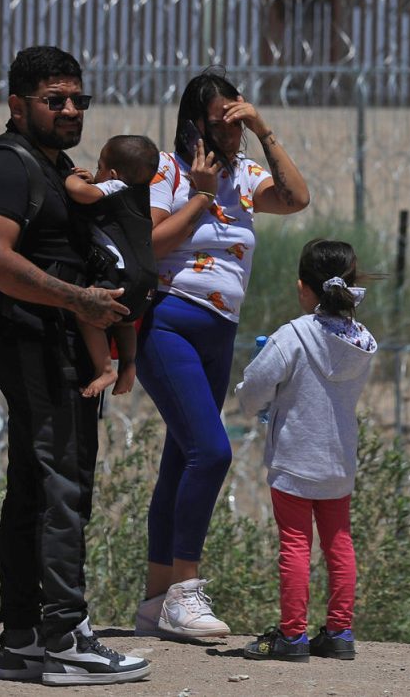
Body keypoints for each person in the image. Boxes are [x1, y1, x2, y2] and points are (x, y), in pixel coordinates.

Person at [0, 45, 150, 686]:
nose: (71, 109)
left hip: (59, 343)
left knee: (35, 490)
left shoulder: (56, 167)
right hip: (34, 342)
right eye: (55, 100)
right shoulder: (4, 167)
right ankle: (67, 636)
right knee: (63, 487)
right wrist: (80, 300)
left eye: (78, 99)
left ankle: (23, 640)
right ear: (18, 106)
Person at [134, 69, 311, 639]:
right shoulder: (167, 169)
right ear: (192, 124)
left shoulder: (245, 172)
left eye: (236, 123)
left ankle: (154, 602)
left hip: (219, 332)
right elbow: (151, 243)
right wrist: (202, 193)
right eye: (220, 124)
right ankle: (184, 594)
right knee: (211, 452)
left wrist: (264, 129)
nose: (229, 136)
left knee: (181, 460)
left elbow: (295, 198)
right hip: (169, 321)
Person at [235, 239, 377, 662]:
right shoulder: (364, 342)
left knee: (295, 544)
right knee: (339, 543)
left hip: (295, 460)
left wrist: (260, 405)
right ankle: (339, 632)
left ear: (303, 288)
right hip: (339, 461)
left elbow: (254, 389)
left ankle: (293, 636)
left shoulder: (291, 336)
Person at [63, 133, 161, 398]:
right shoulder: (138, 194)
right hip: (146, 279)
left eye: (99, 168)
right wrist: (96, 180)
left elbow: (83, 194)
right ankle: (129, 363)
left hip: (120, 274)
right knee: (125, 321)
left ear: (114, 174)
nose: (97, 173)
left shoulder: (115, 186)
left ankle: (105, 368)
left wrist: (69, 178)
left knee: (88, 312)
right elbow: (101, 195)